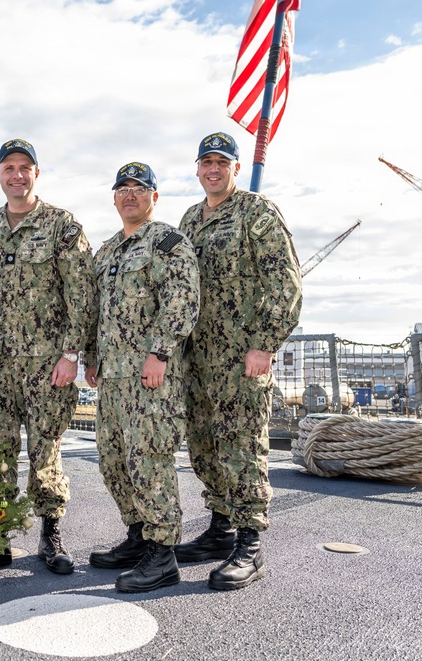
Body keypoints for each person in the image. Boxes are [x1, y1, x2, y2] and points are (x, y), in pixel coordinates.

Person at [0, 139, 97, 574]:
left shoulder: (62, 225)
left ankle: (50, 534)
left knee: (45, 451)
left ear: (36, 174)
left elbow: (81, 294)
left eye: (25, 167)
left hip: (47, 361)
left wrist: (71, 354)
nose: (17, 175)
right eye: (8, 168)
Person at [177, 132, 302, 590]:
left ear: (233, 167)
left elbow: (285, 284)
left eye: (222, 162)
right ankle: (220, 529)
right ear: (197, 169)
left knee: (243, 448)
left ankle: (249, 543)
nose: (214, 169)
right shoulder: (190, 219)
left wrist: (264, 344)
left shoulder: (257, 212)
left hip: (240, 359)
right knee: (205, 446)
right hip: (197, 360)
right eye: (206, 161)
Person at [83, 162, 199, 593]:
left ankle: (162, 553)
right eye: (123, 188)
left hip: (151, 376)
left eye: (139, 188)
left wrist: (160, 353)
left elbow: (182, 300)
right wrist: (92, 359)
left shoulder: (168, 242)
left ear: (154, 196)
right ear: (114, 197)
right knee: (113, 459)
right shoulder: (108, 251)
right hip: (113, 378)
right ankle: (138, 535)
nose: (130, 195)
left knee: (149, 459)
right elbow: (97, 314)